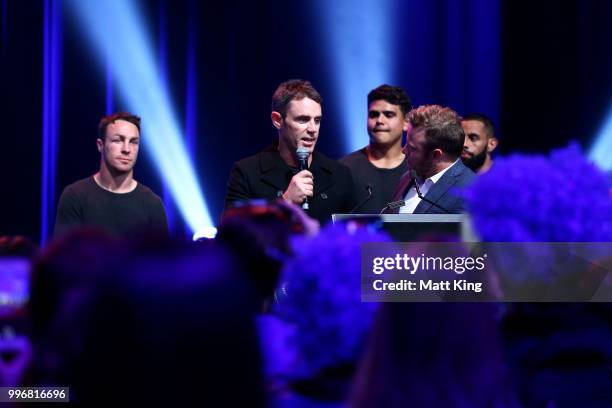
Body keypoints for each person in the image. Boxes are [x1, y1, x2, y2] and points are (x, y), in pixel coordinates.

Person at [224, 79, 355, 225]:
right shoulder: (247, 172)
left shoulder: (340, 174)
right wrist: (286, 202)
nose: (313, 129)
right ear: (277, 120)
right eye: (303, 120)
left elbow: (355, 237)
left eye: (317, 120)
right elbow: (233, 235)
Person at [54, 112, 168, 238]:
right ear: (100, 145)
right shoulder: (75, 196)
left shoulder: (152, 204)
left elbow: (162, 257)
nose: (126, 149)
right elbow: (65, 255)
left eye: (133, 142)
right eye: (118, 140)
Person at [340, 85, 412, 213]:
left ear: (406, 122)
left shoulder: (417, 170)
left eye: (388, 115)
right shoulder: (344, 169)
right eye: (373, 115)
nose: (379, 120)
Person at [391, 105, 475, 214]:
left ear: (436, 155)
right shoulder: (408, 177)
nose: (403, 151)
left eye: (412, 148)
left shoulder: (471, 191)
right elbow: (398, 207)